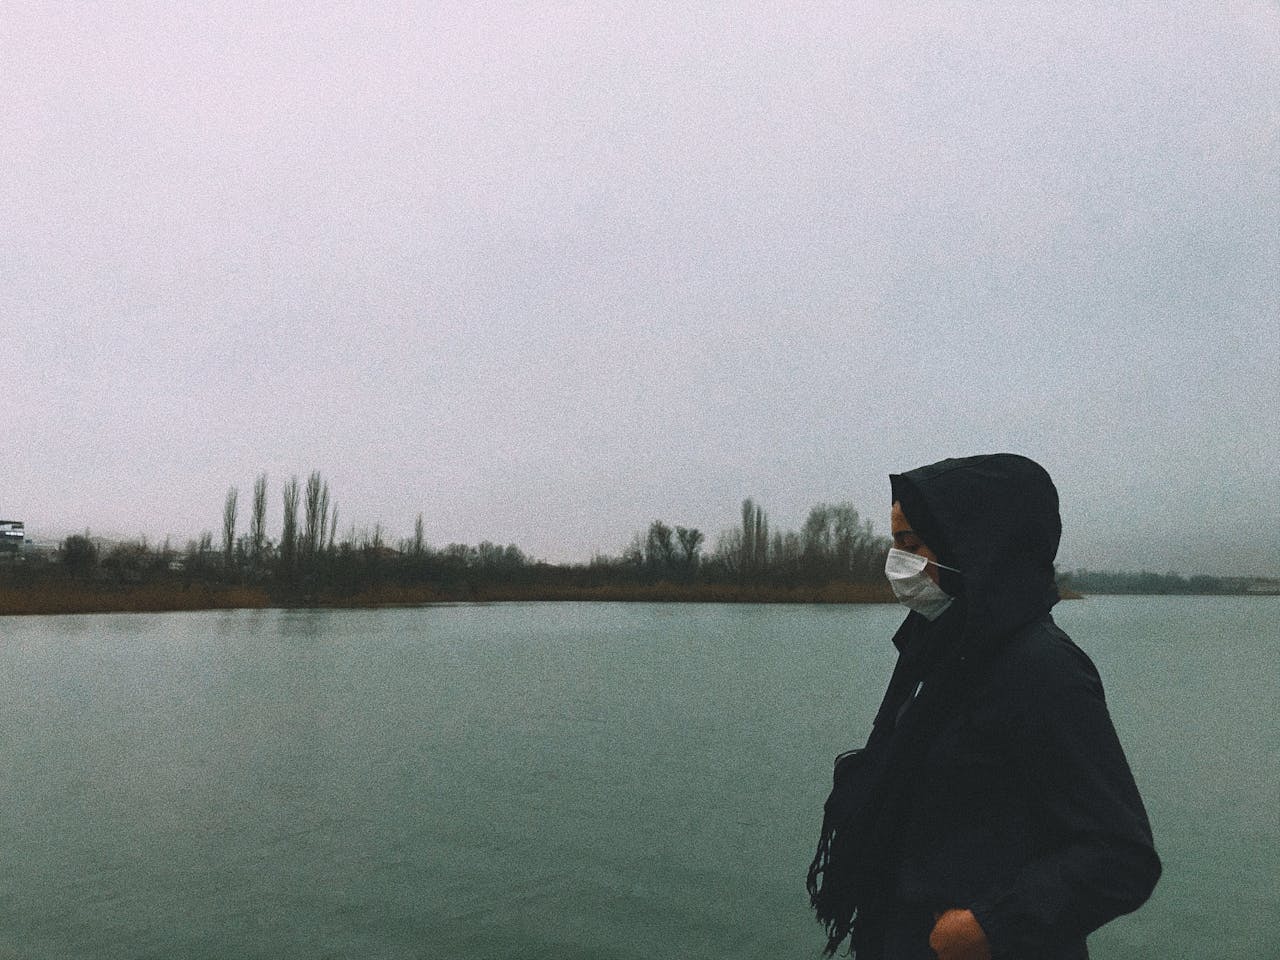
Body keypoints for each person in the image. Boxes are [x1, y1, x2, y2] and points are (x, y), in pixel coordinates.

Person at [807, 454, 1160, 959]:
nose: (896, 562)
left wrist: (989, 925)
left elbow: (1120, 855)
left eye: (910, 544)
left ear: (974, 544)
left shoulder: (1044, 669)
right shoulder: (943, 651)